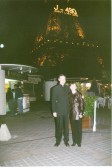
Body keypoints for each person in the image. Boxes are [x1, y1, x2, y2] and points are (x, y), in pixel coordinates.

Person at [51, 74, 71, 146]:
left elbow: (72, 96)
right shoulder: (55, 88)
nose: (63, 80)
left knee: (66, 127)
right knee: (59, 127)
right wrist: (54, 111)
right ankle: (58, 141)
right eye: (62, 79)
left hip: (66, 110)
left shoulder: (67, 88)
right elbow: (53, 101)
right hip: (59, 111)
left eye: (64, 79)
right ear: (58, 79)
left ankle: (66, 141)